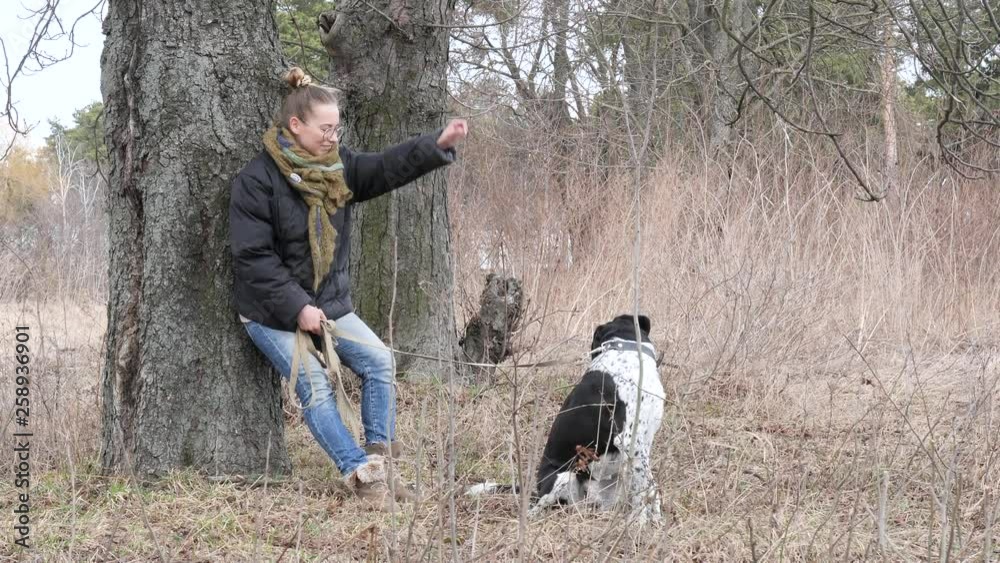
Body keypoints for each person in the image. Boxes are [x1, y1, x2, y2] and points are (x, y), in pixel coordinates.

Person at [229, 67, 467, 510]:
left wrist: (435, 145)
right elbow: (253, 258)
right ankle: (361, 476)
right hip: (269, 311)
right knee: (316, 387)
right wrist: (298, 307)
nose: (333, 137)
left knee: (379, 361)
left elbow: (387, 167)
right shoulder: (257, 180)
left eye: (337, 128)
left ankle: (382, 466)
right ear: (295, 125)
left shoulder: (338, 169)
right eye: (325, 129)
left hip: (328, 304)